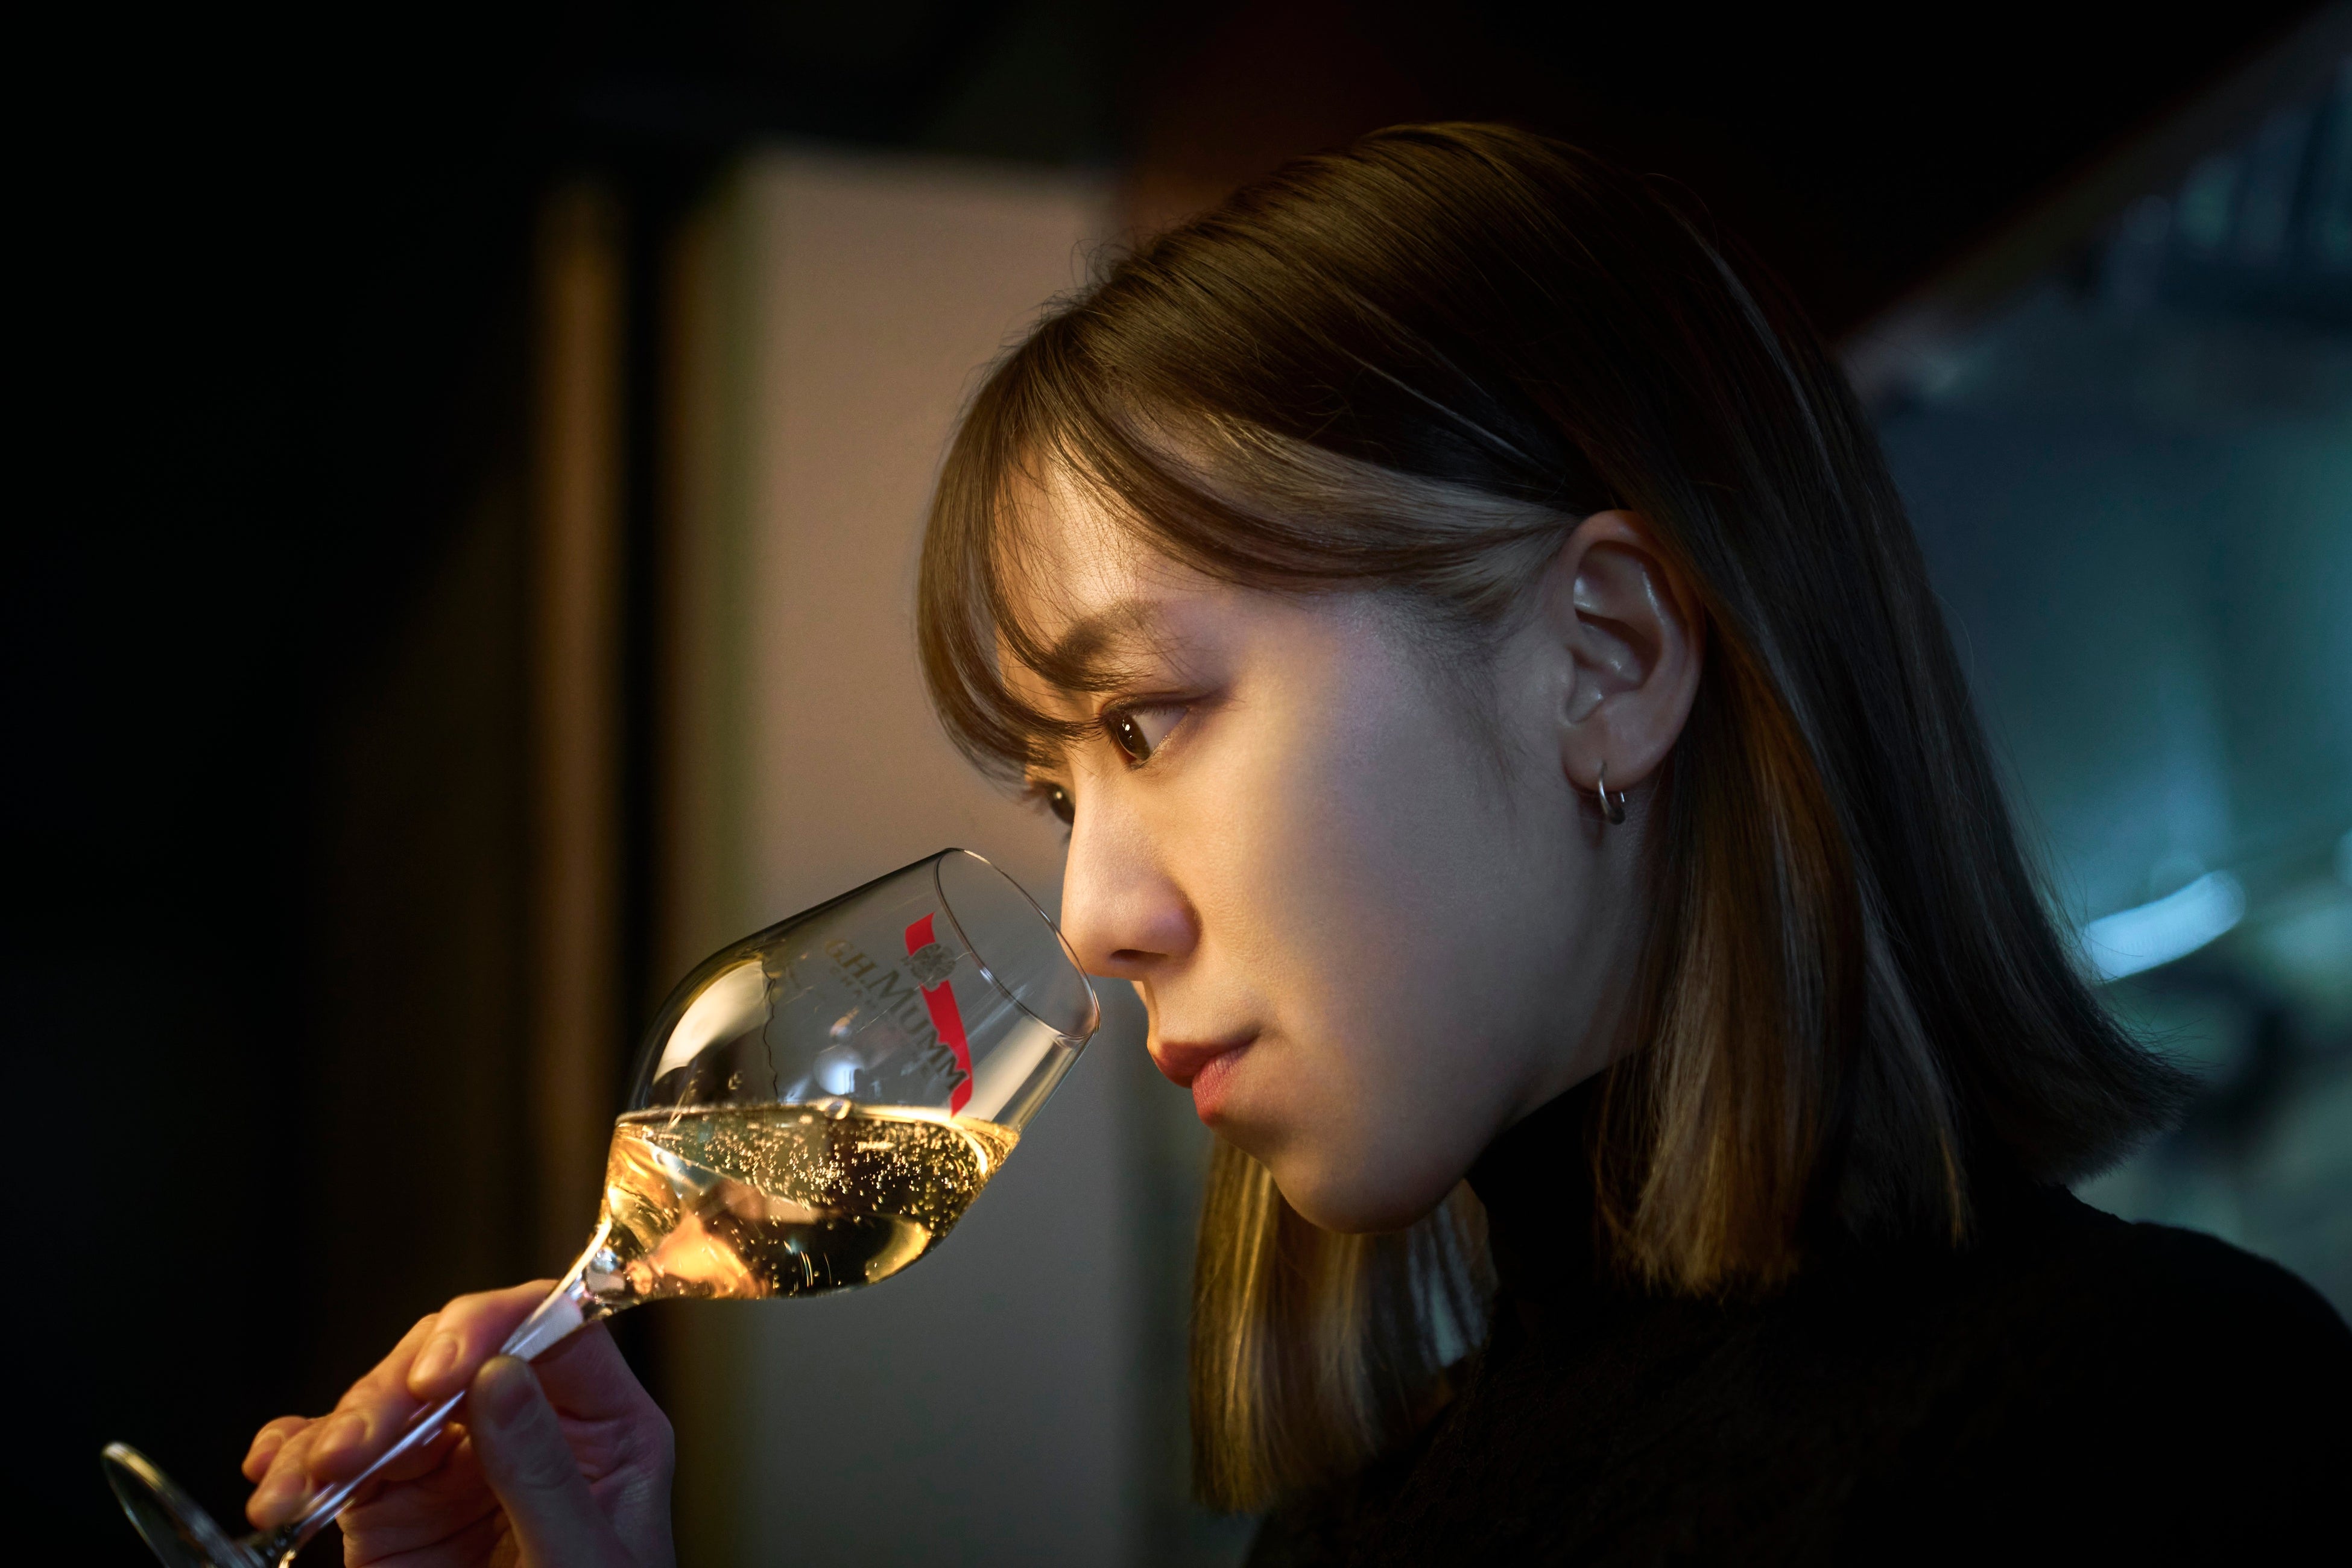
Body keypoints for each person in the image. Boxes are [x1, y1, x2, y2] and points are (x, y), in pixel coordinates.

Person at [240, 124, 2351, 1565]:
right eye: (1061, 790)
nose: (1094, 917)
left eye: (1144, 721)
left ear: (1605, 659)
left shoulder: (2153, 1437)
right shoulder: (1361, 1526)